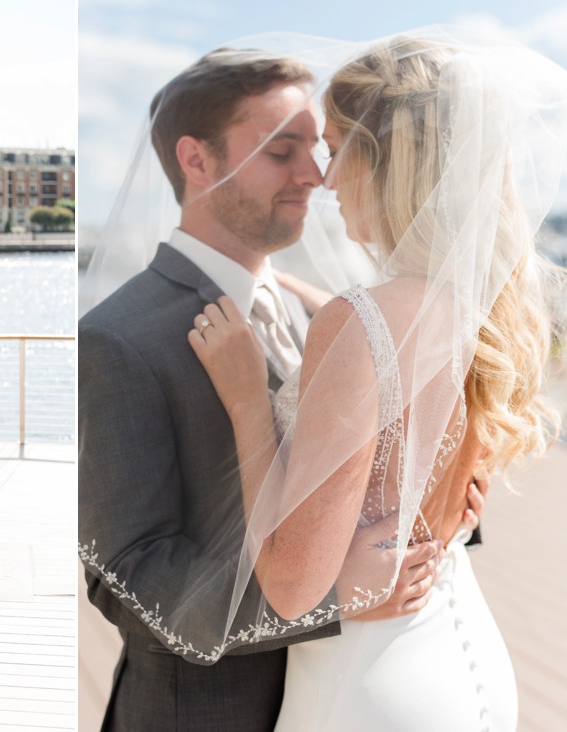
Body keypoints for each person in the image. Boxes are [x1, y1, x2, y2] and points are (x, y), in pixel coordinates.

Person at [78, 47, 484, 730]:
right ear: (196, 160)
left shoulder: (323, 311)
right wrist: (334, 601)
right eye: (281, 150)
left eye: (318, 147)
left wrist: (442, 514)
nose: (316, 174)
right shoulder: (118, 339)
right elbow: (124, 577)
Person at [190, 35, 566, 730]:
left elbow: (292, 586)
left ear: (387, 159)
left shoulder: (361, 321)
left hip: (368, 682)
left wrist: (246, 396)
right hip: (466, 653)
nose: (326, 180)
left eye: (335, 148)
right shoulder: (483, 305)